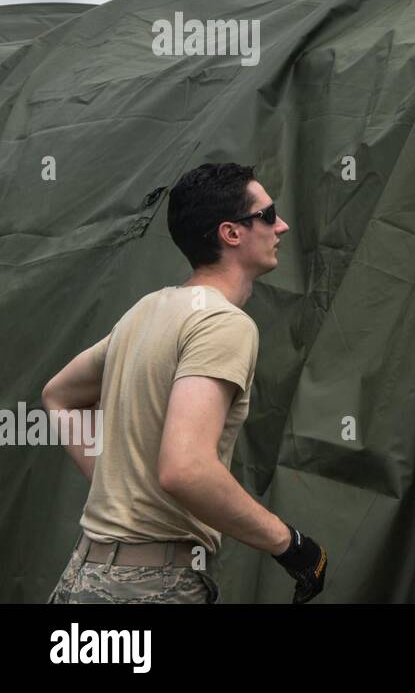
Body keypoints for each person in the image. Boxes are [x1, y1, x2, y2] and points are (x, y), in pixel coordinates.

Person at [43, 162, 328, 604]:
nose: (282, 226)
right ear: (231, 233)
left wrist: (119, 491)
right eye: (268, 215)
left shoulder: (146, 310)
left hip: (85, 575)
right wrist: (291, 544)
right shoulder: (222, 323)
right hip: (147, 587)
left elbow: (58, 397)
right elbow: (186, 468)